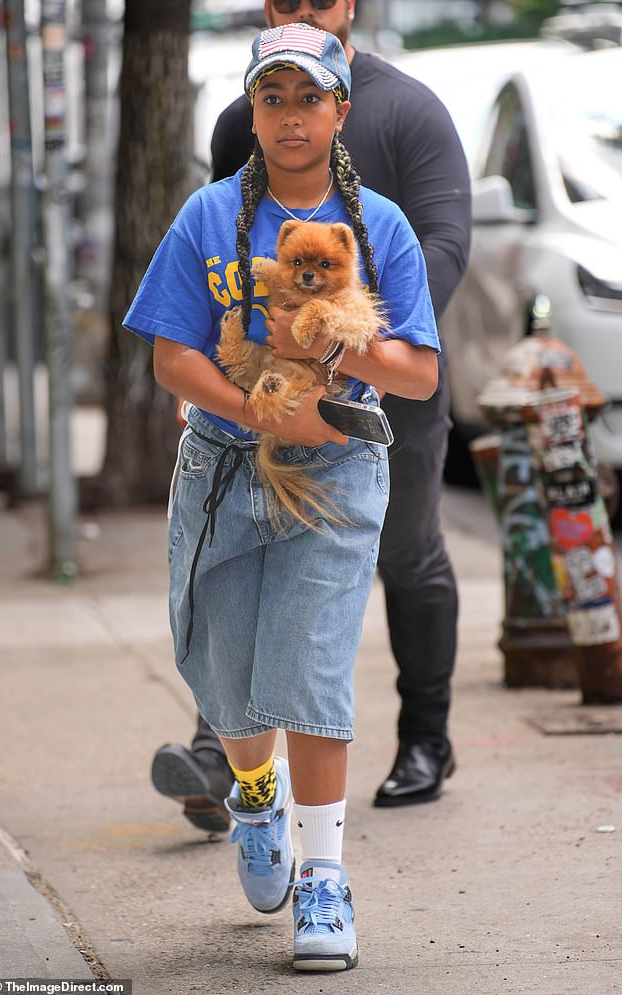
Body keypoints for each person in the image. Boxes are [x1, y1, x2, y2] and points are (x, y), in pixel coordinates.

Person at [126, 24, 440, 972]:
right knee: (224, 674)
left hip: (338, 471)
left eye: (310, 98)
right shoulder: (206, 218)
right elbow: (170, 355)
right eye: (274, 99)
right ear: (251, 112)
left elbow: (420, 374)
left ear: (341, 109)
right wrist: (264, 416)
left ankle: (324, 879)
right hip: (223, 466)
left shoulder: (378, 226)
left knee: (309, 669)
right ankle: (251, 794)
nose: (291, 117)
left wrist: (327, 355)